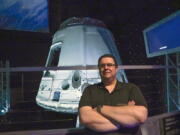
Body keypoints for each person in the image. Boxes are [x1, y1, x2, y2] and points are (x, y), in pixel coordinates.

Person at [78, 54, 148, 135]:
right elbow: (85, 118)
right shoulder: (89, 90)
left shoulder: (131, 88)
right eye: (102, 65)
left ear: (116, 68)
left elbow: (141, 116)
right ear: (99, 69)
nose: (106, 67)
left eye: (109, 65)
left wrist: (100, 109)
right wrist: (125, 120)